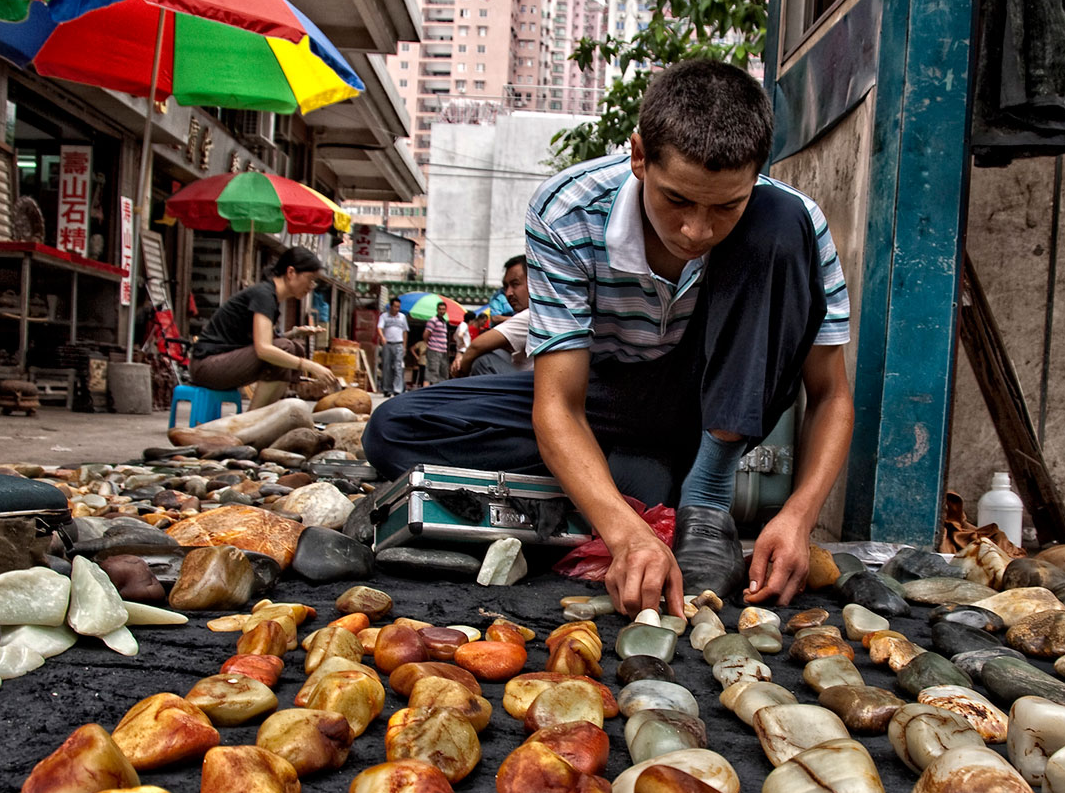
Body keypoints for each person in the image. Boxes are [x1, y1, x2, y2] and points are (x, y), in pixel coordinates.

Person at [364, 60, 853, 617]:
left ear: (755, 171)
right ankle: (637, 487)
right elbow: (559, 405)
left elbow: (831, 396)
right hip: (609, 398)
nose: (697, 230)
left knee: (779, 220)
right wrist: (626, 535)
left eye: (725, 207)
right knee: (394, 428)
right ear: (639, 156)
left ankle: (706, 496)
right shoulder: (568, 211)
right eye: (677, 201)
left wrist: (799, 515)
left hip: (711, 398)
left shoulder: (794, 223)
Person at [189, 246, 339, 409]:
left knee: (295, 348)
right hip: (206, 366)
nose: (311, 286)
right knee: (286, 348)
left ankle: (263, 417)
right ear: (291, 273)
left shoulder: (271, 297)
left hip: (222, 364)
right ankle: (251, 420)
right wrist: (309, 365)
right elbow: (264, 349)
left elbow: (267, 340)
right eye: (309, 278)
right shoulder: (264, 295)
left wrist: (296, 333)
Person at [452, 255, 533, 377]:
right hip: (530, 381)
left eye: (515, 284)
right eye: (506, 287)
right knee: (494, 352)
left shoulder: (530, 316)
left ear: (535, 284)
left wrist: (460, 372)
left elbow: (475, 347)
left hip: (531, 388)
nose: (508, 293)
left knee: (484, 362)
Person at [377, 297, 410, 396]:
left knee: (398, 367)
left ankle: (397, 389)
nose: (396, 309)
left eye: (398, 307)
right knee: (386, 367)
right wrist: (382, 337)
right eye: (395, 306)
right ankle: (387, 389)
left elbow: (405, 332)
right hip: (388, 344)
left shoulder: (402, 317)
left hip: (398, 344)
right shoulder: (384, 316)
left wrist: (404, 346)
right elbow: (379, 327)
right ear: (391, 306)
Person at [422, 301, 451, 386]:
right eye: (440, 309)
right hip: (434, 349)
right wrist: (428, 344)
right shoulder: (433, 320)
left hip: (443, 350)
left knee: (443, 372)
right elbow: (426, 334)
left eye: (444, 309)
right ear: (437, 310)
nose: (442, 311)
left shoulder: (444, 322)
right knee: (433, 372)